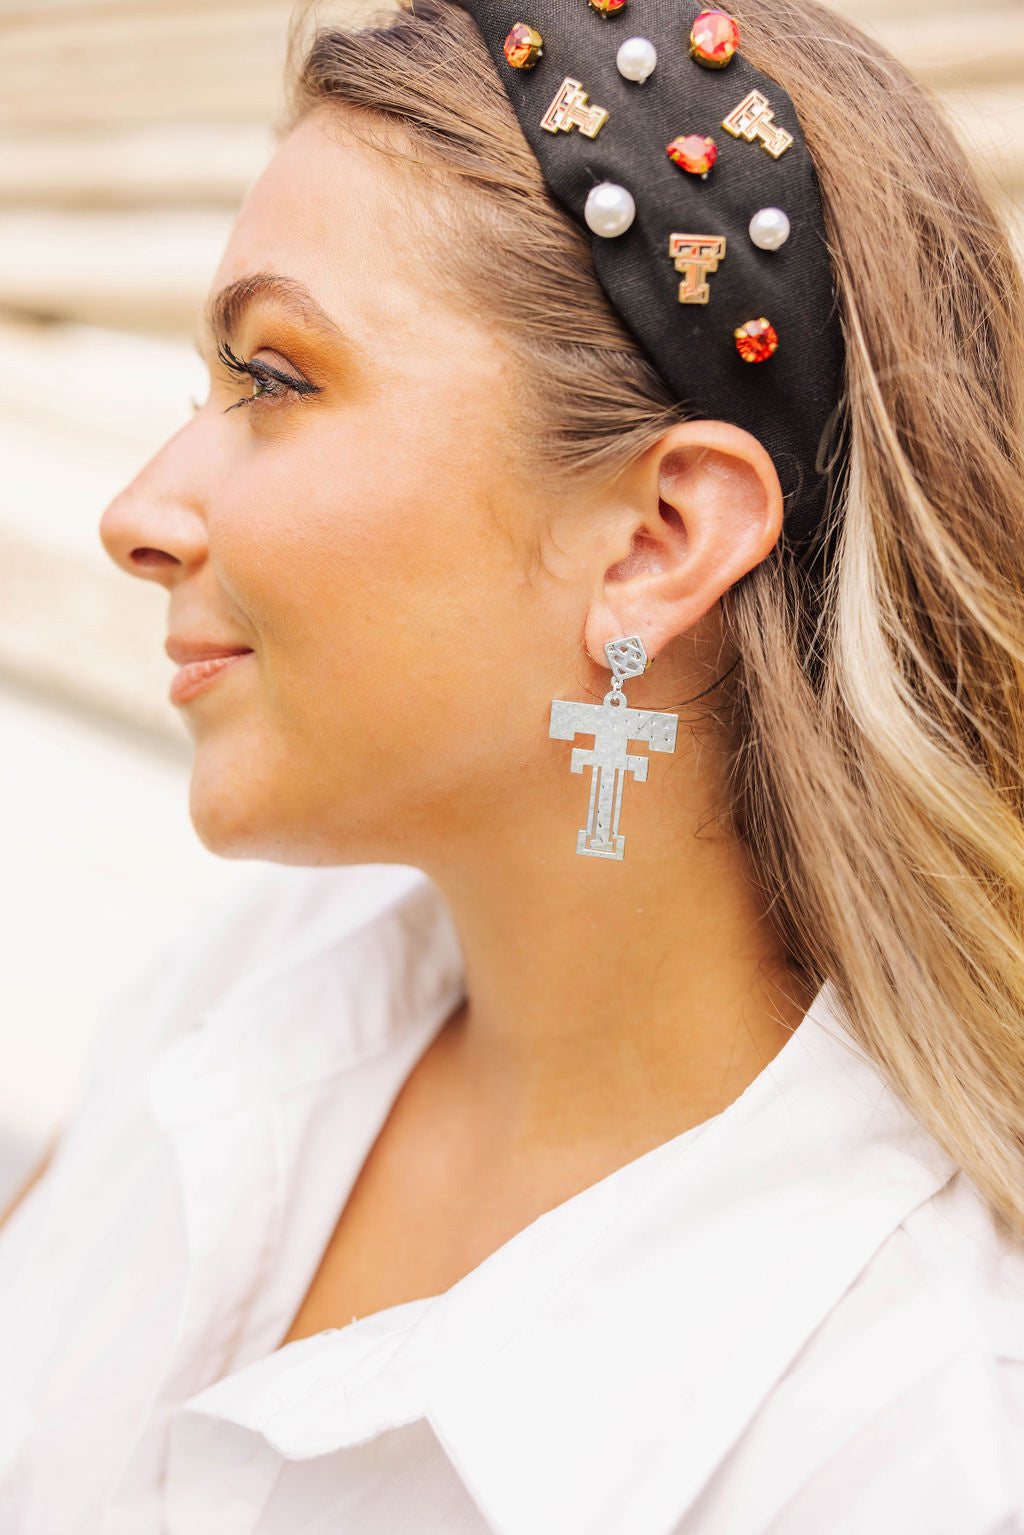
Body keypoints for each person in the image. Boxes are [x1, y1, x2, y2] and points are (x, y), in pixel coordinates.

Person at [1, 0, 1023, 1529]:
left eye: (274, 381)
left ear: (655, 541)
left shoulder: (913, 1435)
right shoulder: (235, 1004)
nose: (139, 513)